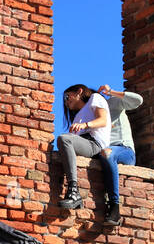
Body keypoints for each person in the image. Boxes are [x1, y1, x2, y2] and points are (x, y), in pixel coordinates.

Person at [55, 83, 111, 215]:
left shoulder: (95, 98)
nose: (66, 102)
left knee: (64, 139)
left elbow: (103, 120)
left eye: (67, 97)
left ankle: (74, 192)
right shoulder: (78, 115)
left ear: (79, 92)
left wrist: (85, 125)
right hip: (85, 143)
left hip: (95, 143)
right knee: (64, 140)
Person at [96, 83, 141, 227]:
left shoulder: (113, 103)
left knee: (107, 153)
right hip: (104, 153)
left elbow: (137, 100)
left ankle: (115, 207)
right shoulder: (88, 117)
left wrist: (112, 92)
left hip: (124, 151)